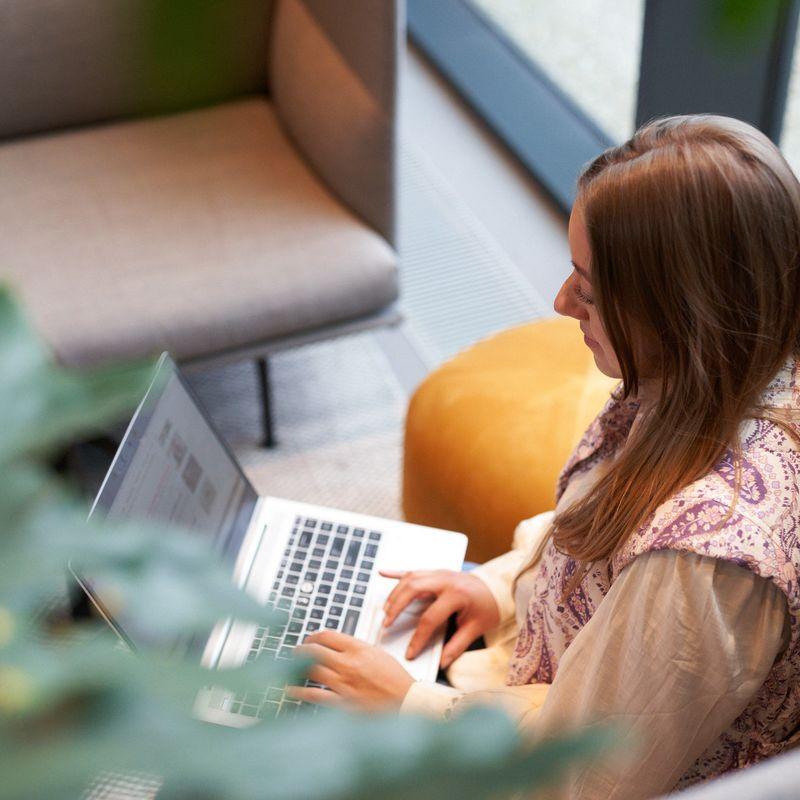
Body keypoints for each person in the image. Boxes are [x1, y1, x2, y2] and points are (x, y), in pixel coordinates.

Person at [288, 115, 800, 798]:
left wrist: (407, 711)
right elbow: (594, 529)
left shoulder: (702, 568)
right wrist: (501, 588)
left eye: (588, 291)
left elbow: (586, 777)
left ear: (685, 314)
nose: (561, 304)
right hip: (524, 680)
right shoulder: (709, 378)